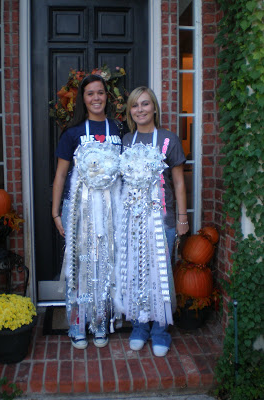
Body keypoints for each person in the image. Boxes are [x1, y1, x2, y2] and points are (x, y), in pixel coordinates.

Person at [114, 86, 189, 357]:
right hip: (131, 221)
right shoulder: (124, 141)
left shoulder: (168, 140)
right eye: (135, 105)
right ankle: (139, 326)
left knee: (160, 275)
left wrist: (182, 218)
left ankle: (160, 330)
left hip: (163, 220)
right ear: (130, 111)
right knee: (135, 274)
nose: (140, 110)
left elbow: (178, 183)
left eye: (145, 104)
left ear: (154, 108)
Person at [52, 74, 122, 350]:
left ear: (107, 96)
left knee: (106, 266)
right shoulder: (72, 134)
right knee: (78, 268)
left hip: (109, 210)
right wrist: (56, 213)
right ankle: (77, 325)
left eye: (100, 93)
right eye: (90, 93)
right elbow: (60, 176)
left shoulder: (118, 129)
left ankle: (101, 323)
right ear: (83, 99)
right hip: (78, 211)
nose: (96, 98)